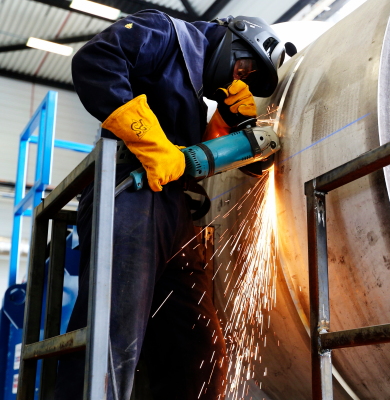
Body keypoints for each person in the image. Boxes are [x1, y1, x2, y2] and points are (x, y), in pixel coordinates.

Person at [55, 9, 293, 400]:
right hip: (132, 193)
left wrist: (232, 124)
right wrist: (152, 143)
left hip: (176, 211)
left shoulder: (197, 96)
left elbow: (195, 158)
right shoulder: (165, 33)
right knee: (112, 338)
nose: (240, 79)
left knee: (197, 347)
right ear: (233, 38)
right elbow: (96, 59)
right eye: (244, 67)